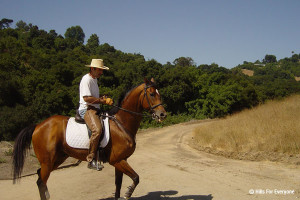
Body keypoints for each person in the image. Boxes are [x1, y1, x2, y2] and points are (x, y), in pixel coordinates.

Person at [78, 59, 113, 170]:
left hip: (94, 109)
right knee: (97, 130)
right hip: (86, 109)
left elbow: (93, 97)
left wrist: (102, 99)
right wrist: (102, 101)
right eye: (99, 70)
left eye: (102, 70)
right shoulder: (86, 79)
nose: (101, 73)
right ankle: (91, 159)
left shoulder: (94, 80)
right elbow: (87, 98)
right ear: (92, 69)